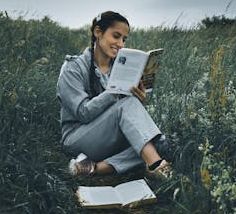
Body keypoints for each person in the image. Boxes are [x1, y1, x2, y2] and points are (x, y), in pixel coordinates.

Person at [56, 10, 172, 177]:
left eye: (124, 39)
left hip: (107, 136)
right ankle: (157, 167)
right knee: (146, 143)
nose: (121, 44)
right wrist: (114, 93)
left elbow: (123, 115)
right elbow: (83, 113)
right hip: (77, 137)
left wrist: (140, 99)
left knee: (159, 143)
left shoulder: (119, 68)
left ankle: (92, 168)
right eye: (116, 36)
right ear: (98, 32)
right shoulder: (72, 68)